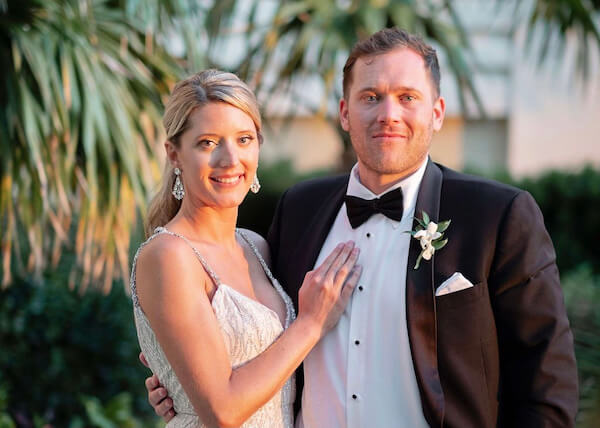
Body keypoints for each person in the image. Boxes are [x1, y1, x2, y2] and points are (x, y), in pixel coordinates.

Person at [145, 28, 578, 427]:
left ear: (438, 112)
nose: (388, 114)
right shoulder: (299, 210)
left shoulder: (497, 215)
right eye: (370, 97)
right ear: (345, 113)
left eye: (407, 97)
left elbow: (547, 384)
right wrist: (183, 387)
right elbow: (247, 334)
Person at [131, 69, 362, 428]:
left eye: (243, 139)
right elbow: (222, 412)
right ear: (174, 154)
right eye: (207, 142)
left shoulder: (257, 247)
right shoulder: (169, 256)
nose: (229, 158)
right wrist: (311, 322)